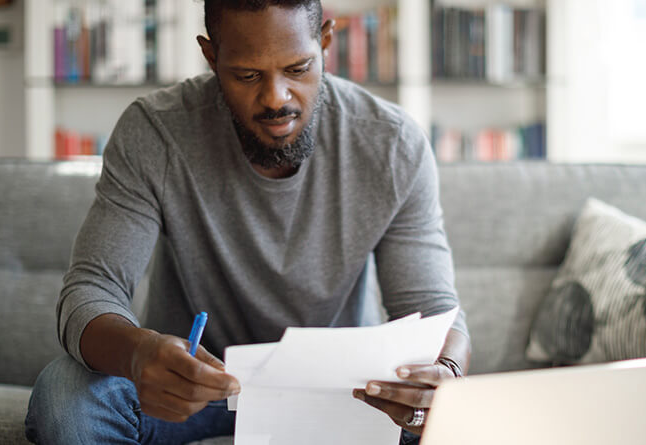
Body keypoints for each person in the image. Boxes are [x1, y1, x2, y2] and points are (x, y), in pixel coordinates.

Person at [24, 1, 470, 443]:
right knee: (65, 393)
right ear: (212, 57)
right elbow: (91, 288)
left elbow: (433, 308)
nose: (276, 98)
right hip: (192, 392)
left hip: (344, 389)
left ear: (326, 43)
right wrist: (140, 355)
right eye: (248, 75)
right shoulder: (155, 133)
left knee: (446, 414)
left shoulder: (392, 144)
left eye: (298, 68)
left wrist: (442, 378)